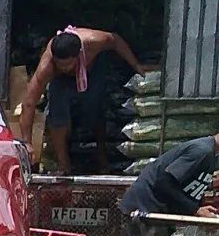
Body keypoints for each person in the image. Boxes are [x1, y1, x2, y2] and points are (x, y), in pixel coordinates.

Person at [19, 26, 154, 175]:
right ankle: (64, 165)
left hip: (92, 71)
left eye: (67, 64)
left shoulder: (94, 41)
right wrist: (27, 142)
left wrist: (136, 65)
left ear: (78, 55)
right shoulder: (48, 67)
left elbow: (116, 40)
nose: (64, 68)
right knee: (57, 116)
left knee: (94, 109)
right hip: (60, 81)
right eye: (60, 64)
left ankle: (102, 159)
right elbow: (29, 103)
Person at [118, 131, 219, 236]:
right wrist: (196, 210)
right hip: (147, 208)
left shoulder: (214, 156)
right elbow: (164, 181)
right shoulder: (202, 151)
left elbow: (188, 185)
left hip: (162, 213)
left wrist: (200, 209)